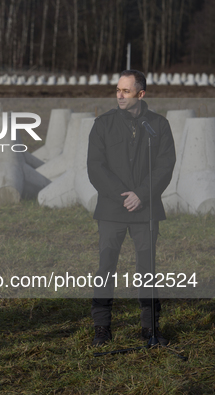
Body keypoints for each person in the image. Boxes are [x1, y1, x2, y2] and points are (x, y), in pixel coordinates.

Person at [87, 70, 176, 346]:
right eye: (117, 90)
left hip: (145, 209)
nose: (120, 95)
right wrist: (122, 195)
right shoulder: (103, 124)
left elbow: (165, 166)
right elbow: (95, 167)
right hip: (111, 210)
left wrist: (142, 194)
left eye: (126, 90)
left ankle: (150, 328)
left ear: (141, 93)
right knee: (106, 266)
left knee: (147, 268)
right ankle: (102, 327)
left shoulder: (159, 126)